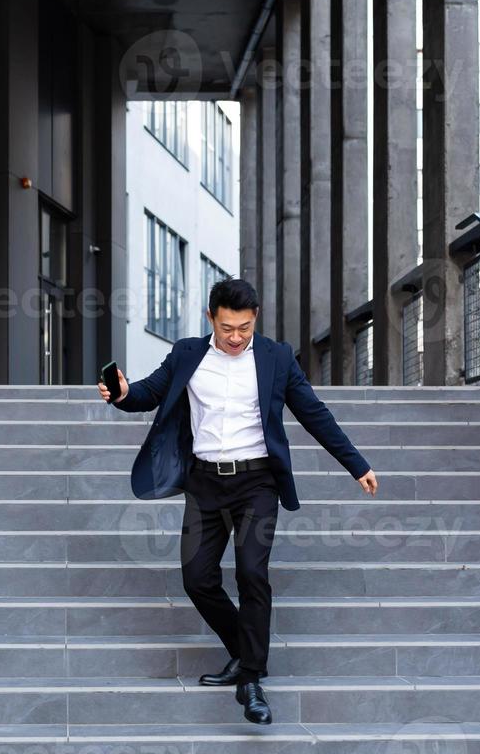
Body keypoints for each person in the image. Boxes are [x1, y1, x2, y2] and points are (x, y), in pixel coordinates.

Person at [98, 278, 377, 725]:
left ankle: (251, 680)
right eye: (227, 327)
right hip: (205, 483)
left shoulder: (276, 357)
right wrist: (123, 392)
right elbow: (149, 393)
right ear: (211, 318)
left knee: (252, 572)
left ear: (256, 318)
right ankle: (245, 653)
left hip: (256, 484)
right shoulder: (188, 353)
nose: (235, 337)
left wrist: (356, 463)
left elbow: (314, 413)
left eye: (244, 327)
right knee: (196, 578)